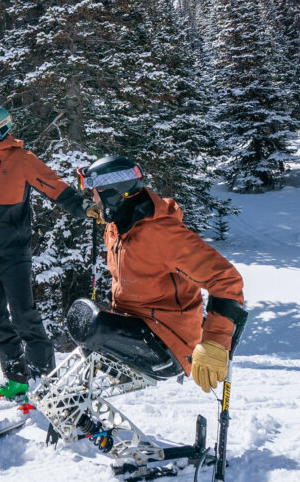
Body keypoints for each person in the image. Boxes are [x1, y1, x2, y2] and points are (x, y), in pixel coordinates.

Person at [79, 154, 246, 392]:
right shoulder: (117, 227)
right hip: (138, 324)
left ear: (114, 193)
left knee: (90, 323)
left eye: (96, 193)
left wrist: (215, 342)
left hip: (168, 342)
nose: (93, 198)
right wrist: (105, 215)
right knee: (87, 317)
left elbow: (226, 279)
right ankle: (88, 421)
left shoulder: (161, 234)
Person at [0, 105, 86, 389]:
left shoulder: (22, 159)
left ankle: (45, 382)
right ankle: (17, 377)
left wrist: (82, 207)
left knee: (23, 316)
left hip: (14, 252)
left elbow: (54, 186)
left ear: (2, 127)